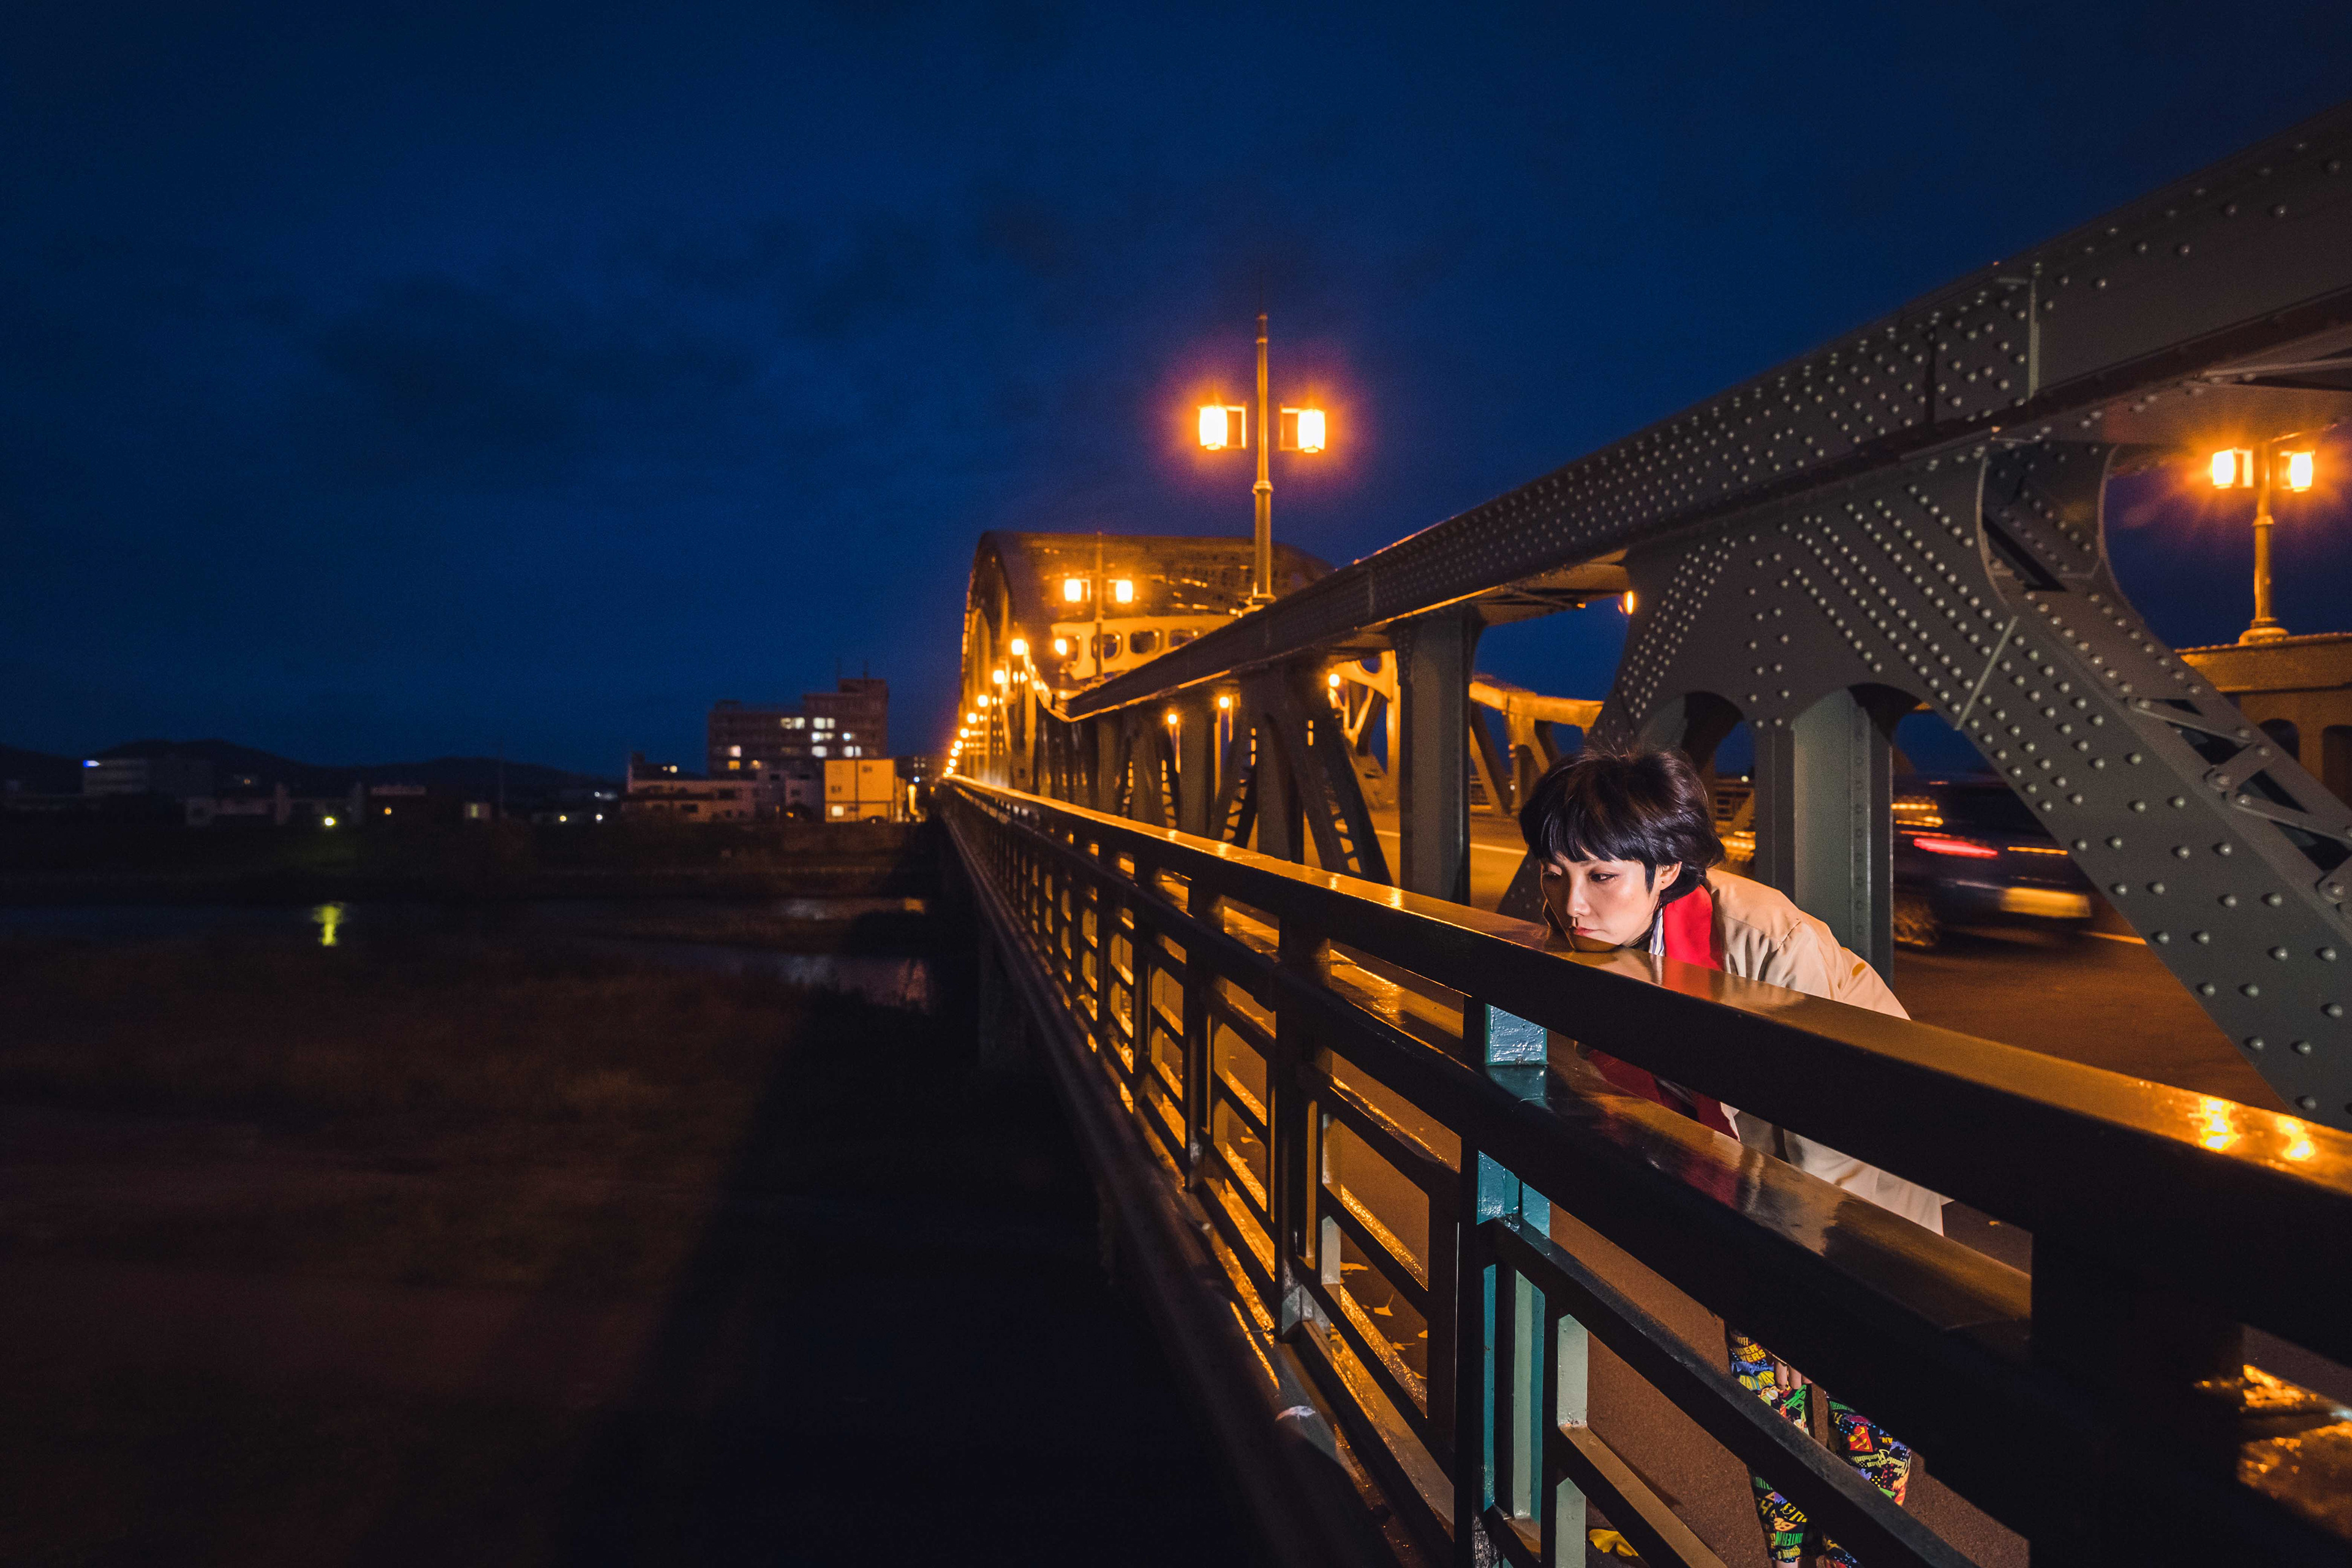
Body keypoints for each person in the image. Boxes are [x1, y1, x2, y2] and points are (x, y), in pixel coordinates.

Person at [1517, 747, 1942, 1568]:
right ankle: (1791, 1562)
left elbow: (1840, 1127)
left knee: (1862, 1398)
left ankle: (1850, 1558)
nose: (1574, 904)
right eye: (1557, 873)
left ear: (1667, 867)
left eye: (1601, 877)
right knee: (1766, 1411)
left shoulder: (1767, 941)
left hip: (1857, 1206)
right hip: (1748, 1192)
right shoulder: (1588, 935)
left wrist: (1808, 1268)